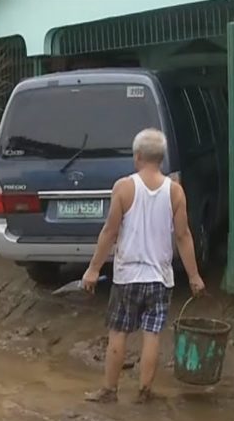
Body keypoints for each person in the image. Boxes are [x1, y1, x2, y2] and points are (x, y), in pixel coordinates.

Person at [81, 128, 205, 404]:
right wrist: (194, 276)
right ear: (161, 158)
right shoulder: (175, 191)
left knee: (118, 332)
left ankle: (109, 391)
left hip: (127, 277)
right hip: (160, 278)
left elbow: (109, 232)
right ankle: (144, 392)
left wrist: (93, 269)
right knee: (152, 335)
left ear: (137, 157)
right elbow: (183, 236)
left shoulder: (124, 187)